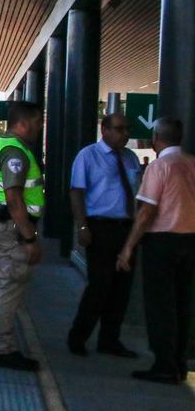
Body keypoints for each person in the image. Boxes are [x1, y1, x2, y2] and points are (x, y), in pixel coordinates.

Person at [116, 117, 195, 384]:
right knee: (183, 304)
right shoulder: (192, 164)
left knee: (160, 305)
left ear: (156, 139)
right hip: (190, 242)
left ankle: (163, 364)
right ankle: (179, 362)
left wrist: (128, 247)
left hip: (162, 243)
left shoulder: (160, 167)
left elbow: (147, 211)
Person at [66, 113, 141, 357]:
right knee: (99, 285)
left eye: (127, 129)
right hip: (100, 228)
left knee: (121, 288)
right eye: (119, 129)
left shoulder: (130, 158)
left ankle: (110, 340)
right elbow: (77, 192)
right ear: (104, 130)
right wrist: (82, 226)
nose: (125, 134)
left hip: (127, 229)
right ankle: (78, 337)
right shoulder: (88, 156)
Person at [0, 101, 45, 371]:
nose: (40, 127)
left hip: (3, 226)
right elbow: (14, 197)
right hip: (13, 228)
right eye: (39, 122)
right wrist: (30, 239)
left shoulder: (3, 147)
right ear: (24, 122)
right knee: (9, 287)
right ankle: (2, 349)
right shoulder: (15, 152)